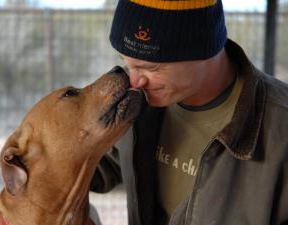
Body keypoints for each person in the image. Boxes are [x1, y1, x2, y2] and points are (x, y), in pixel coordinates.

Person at [90, 0, 288, 225]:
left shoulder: (280, 130)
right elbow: (90, 164)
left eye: (152, 67)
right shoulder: (134, 103)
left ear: (205, 49)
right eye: (126, 62)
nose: (134, 81)